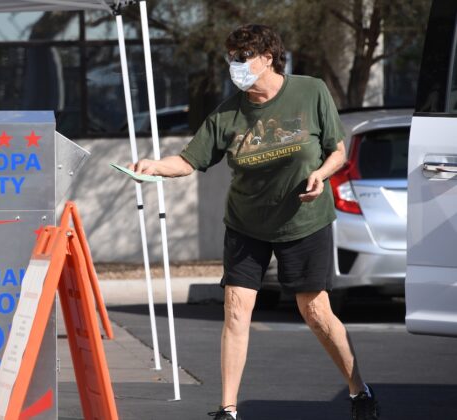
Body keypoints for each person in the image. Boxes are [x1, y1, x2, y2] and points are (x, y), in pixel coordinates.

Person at [128, 24, 380, 420]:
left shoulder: (310, 90)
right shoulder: (228, 113)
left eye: (242, 57)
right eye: (231, 58)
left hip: (304, 220)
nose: (235, 66)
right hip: (247, 224)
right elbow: (190, 160)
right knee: (236, 308)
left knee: (315, 311)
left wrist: (321, 175)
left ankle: (358, 389)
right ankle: (227, 409)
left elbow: (337, 151)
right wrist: (155, 166)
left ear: (267, 58)